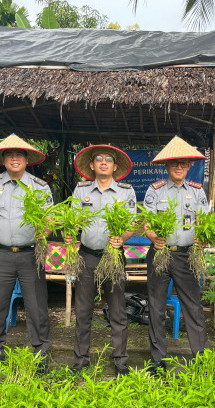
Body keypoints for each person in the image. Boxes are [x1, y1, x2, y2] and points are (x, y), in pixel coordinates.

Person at [0, 134, 53, 367]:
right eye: (10, 154)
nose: (15, 158)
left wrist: (44, 231)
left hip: (31, 253)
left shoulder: (39, 187)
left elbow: (48, 220)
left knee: (37, 306)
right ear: (3, 159)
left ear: (27, 160)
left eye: (19, 154)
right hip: (1, 254)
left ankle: (41, 354)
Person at [142, 136, 209, 373]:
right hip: (160, 253)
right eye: (174, 163)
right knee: (156, 307)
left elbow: (204, 223)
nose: (179, 167)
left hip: (186, 256)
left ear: (190, 166)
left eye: (183, 163)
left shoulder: (199, 192)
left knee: (193, 306)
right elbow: (146, 221)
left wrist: (203, 236)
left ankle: (201, 358)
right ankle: (158, 360)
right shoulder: (155, 190)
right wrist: (153, 237)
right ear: (167, 166)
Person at [70, 144, 136, 375]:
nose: (104, 162)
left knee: (118, 310)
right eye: (99, 158)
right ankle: (80, 360)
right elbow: (74, 220)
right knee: (83, 311)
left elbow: (130, 225)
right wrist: (70, 230)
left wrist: (122, 238)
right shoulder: (81, 190)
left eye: (109, 159)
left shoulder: (126, 192)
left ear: (115, 166)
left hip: (114, 257)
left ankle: (120, 360)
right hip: (87, 256)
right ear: (92, 165)